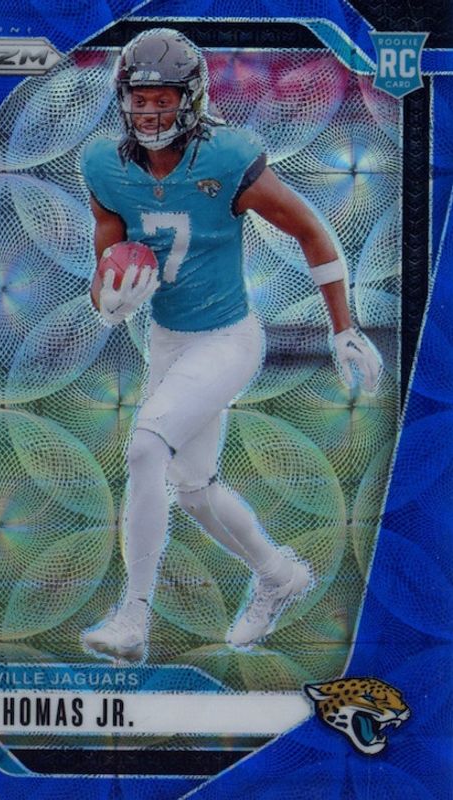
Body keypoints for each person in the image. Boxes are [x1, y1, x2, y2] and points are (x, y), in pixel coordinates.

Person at [80, 28, 382, 662]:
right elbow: (103, 271)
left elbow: (312, 231)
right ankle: (280, 575)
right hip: (167, 341)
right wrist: (109, 301)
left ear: (190, 100)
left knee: (145, 450)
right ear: (123, 99)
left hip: (227, 338)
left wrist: (343, 328)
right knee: (193, 490)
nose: (150, 112)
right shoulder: (105, 166)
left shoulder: (226, 158)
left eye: (164, 99)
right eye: (140, 99)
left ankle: (134, 616)